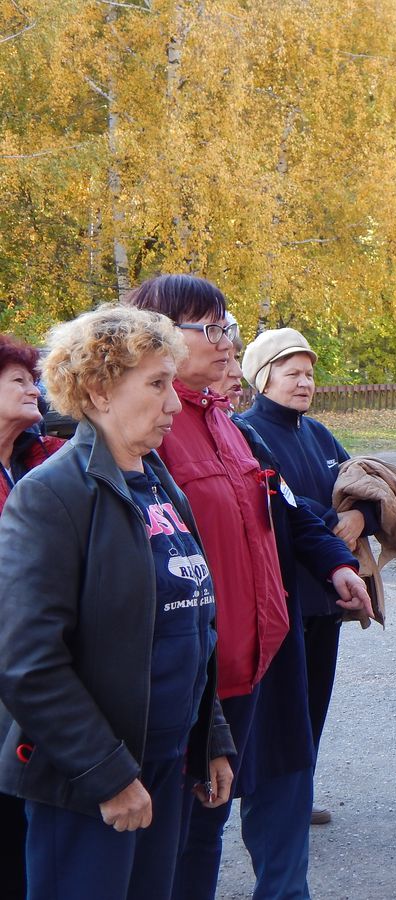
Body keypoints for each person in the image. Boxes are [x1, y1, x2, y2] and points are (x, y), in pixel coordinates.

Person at [125, 274, 372, 900]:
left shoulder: (234, 428)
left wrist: (336, 564)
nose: (226, 341)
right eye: (210, 327)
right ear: (156, 335)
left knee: (225, 815)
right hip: (192, 672)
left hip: (262, 657)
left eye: (226, 326)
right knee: (177, 837)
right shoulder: (143, 433)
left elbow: (287, 509)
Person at [0, 305, 234, 899]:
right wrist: (106, 775)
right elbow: (27, 662)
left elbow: (193, 624)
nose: (174, 404)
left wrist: (211, 739)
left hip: (165, 764)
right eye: (156, 385)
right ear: (99, 391)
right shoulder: (52, 495)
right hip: (90, 785)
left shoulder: (158, 482)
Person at [240, 327, 381, 825]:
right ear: (263, 378)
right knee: (278, 713)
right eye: (292, 373)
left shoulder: (318, 433)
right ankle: (270, 809)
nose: (304, 383)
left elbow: (362, 487)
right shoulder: (245, 433)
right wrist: (330, 522)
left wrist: (361, 516)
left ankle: (299, 796)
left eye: (309, 374)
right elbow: (281, 506)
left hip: (325, 594)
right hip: (279, 595)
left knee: (313, 702)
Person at [0, 334, 66, 898]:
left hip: (33, 667)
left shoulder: (40, 459)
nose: (33, 388)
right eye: (18, 380)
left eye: (33, 379)